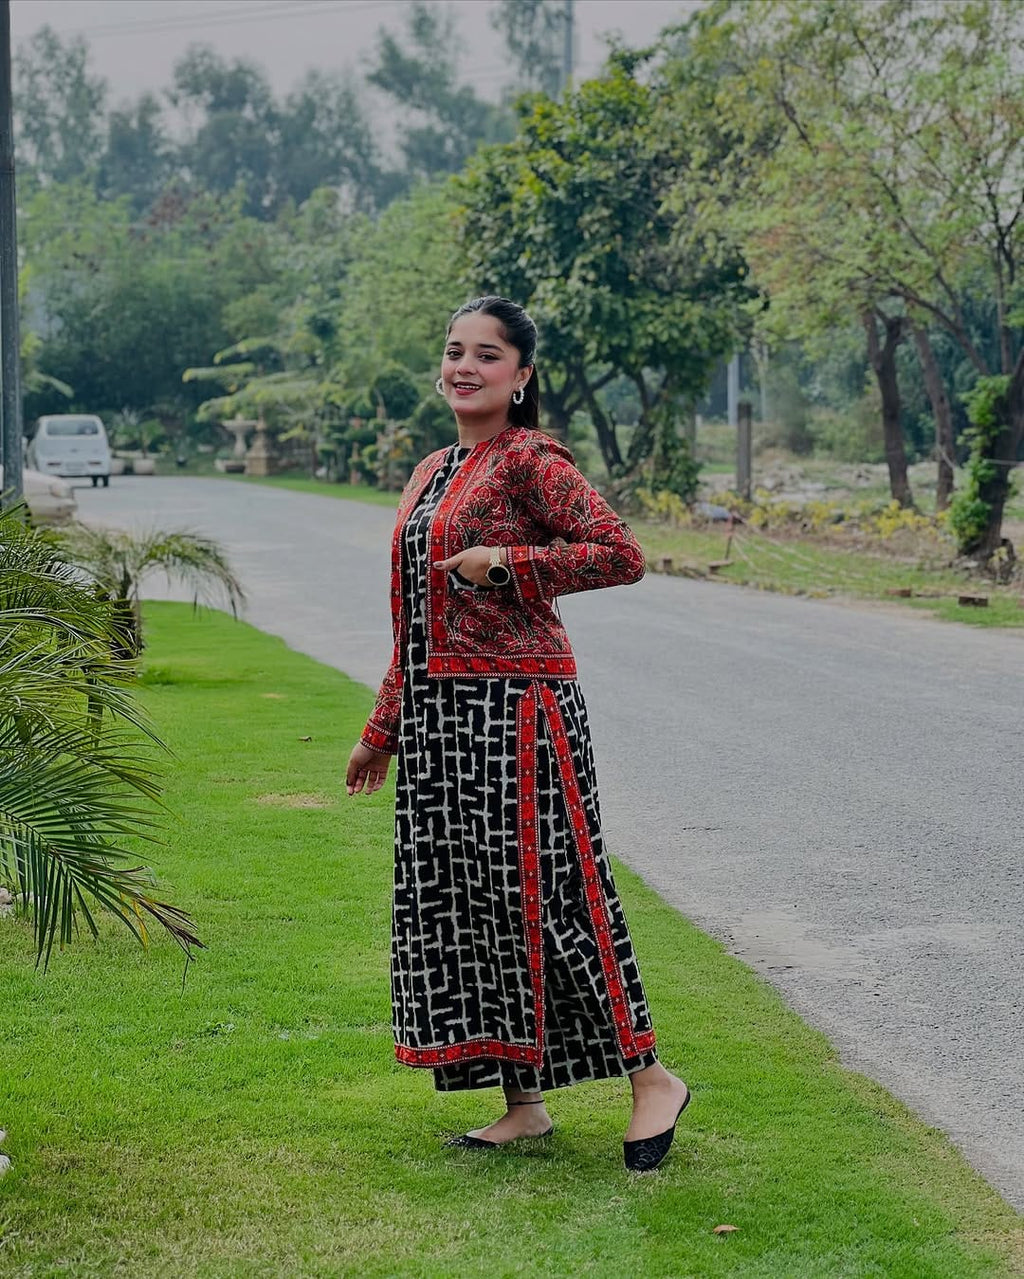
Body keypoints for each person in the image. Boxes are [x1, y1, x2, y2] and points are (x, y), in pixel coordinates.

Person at [346, 296, 689, 1172]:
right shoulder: (430, 471)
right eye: (456, 351)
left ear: (521, 375)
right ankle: (523, 1102)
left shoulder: (531, 458)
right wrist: (382, 728)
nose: (466, 366)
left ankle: (651, 1076)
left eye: (487, 355)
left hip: (520, 712)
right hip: (438, 718)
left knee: (555, 894)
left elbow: (619, 552)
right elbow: (414, 618)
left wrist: (507, 564)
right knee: (470, 905)